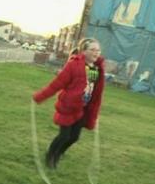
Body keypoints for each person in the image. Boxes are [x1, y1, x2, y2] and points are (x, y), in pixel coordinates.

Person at [32, 38, 105, 169]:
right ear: (84, 51)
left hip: (82, 109)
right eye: (92, 49)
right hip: (68, 107)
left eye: (98, 50)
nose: (96, 52)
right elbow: (57, 83)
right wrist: (40, 96)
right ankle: (50, 155)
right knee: (64, 136)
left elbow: (94, 90)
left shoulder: (96, 69)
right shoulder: (74, 65)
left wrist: (93, 109)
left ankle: (58, 154)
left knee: (74, 137)